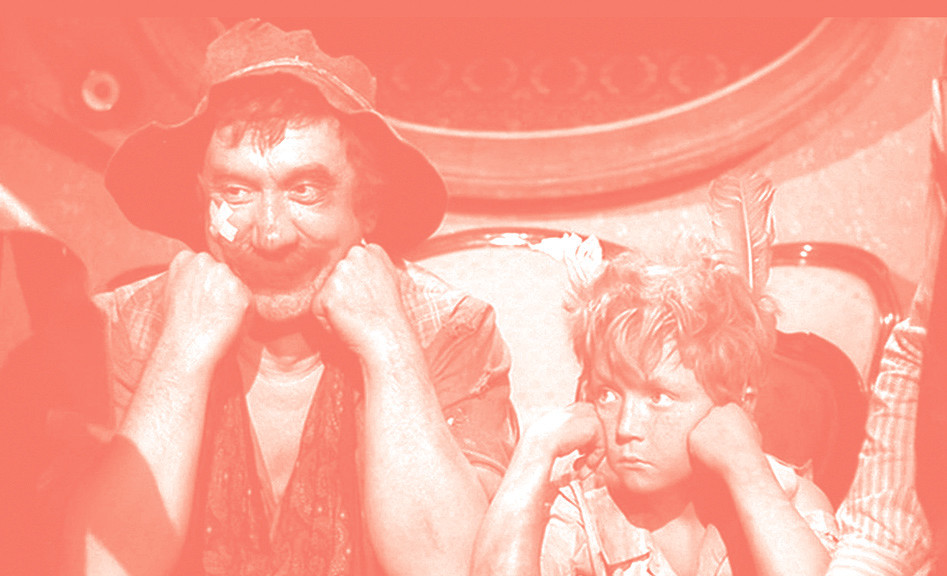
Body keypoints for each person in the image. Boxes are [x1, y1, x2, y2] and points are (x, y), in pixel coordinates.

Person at [60, 20, 517, 576]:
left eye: (306, 191)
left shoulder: (450, 330)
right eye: (236, 192)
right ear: (200, 201)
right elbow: (98, 568)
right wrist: (181, 355)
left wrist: (389, 347)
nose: (271, 234)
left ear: (367, 206)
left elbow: (451, 569)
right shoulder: (118, 331)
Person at [472, 246, 838, 576]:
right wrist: (537, 447)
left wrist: (748, 472)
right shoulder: (575, 504)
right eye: (608, 394)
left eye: (659, 397)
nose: (626, 428)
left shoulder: (785, 498)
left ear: (737, 404)